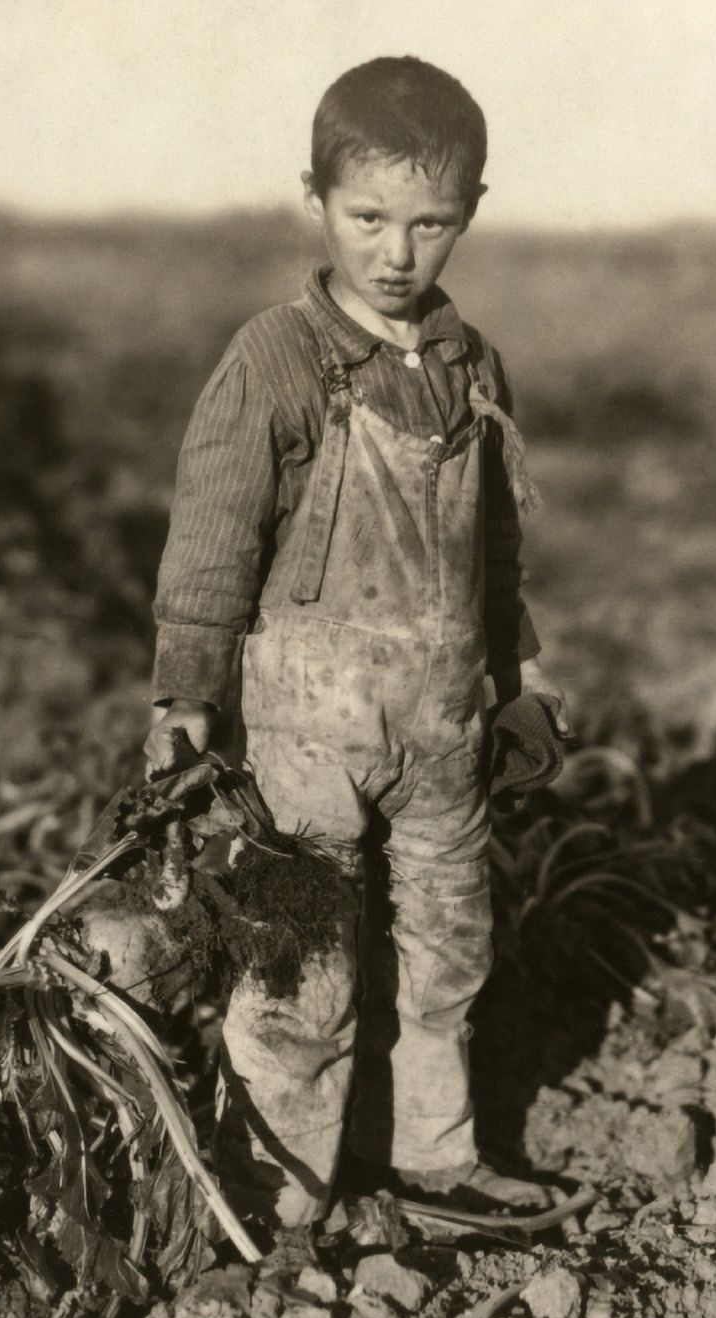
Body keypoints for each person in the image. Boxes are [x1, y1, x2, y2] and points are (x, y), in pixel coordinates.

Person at [143, 55, 567, 1231]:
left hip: (441, 723)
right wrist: (183, 695)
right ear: (316, 200)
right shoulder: (274, 358)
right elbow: (212, 545)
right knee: (302, 977)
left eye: (429, 224)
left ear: (470, 214)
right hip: (307, 737)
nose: (396, 252)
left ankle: (436, 1161)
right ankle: (277, 1201)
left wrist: (515, 681)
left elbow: (494, 553)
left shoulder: (474, 368)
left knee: (445, 955)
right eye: (367, 217)